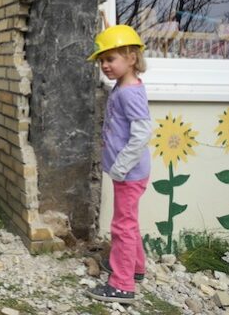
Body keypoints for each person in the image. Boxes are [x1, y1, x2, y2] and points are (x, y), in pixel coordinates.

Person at [85, 24, 152, 305]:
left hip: (129, 172)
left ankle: (122, 285)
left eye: (110, 59)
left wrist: (121, 166)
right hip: (127, 171)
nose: (105, 65)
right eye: (102, 60)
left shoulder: (129, 93)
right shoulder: (122, 87)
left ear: (132, 58)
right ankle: (135, 268)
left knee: (122, 226)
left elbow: (142, 133)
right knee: (129, 222)